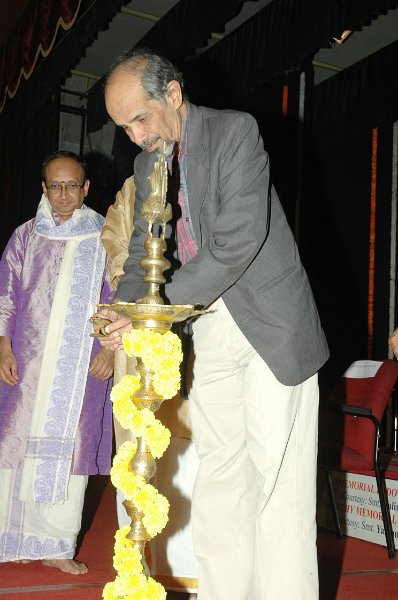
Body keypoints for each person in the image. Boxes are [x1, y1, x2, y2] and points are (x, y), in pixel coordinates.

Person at [101, 49, 330, 600]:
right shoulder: (147, 164)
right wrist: (122, 309)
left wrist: (153, 314)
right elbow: (139, 256)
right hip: (205, 327)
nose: (135, 136)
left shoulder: (235, 133)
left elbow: (235, 245)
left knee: (278, 485)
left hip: (271, 327)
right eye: (123, 127)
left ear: (174, 95)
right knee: (221, 474)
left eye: (141, 118)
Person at [0, 151, 114, 575]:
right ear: (43, 188)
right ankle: (9, 539)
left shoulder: (105, 238)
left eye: (72, 186)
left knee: (68, 455)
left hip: (80, 365)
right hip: (26, 366)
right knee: (13, 446)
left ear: (85, 188)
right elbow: (6, 295)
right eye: (55, 185)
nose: (64, 194)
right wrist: (3, 346)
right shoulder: (26, 236)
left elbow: (116, 298)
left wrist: (109, 349)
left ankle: (55, 545)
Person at [101, 175, 199, 597]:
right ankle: (141, 569)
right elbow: (117, 247)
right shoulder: (135, 185)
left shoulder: (204, 174)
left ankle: (198, 571)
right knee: (140, 447)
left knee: (198, 452)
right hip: (141, 327)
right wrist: (143, 300)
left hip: (204, 329)